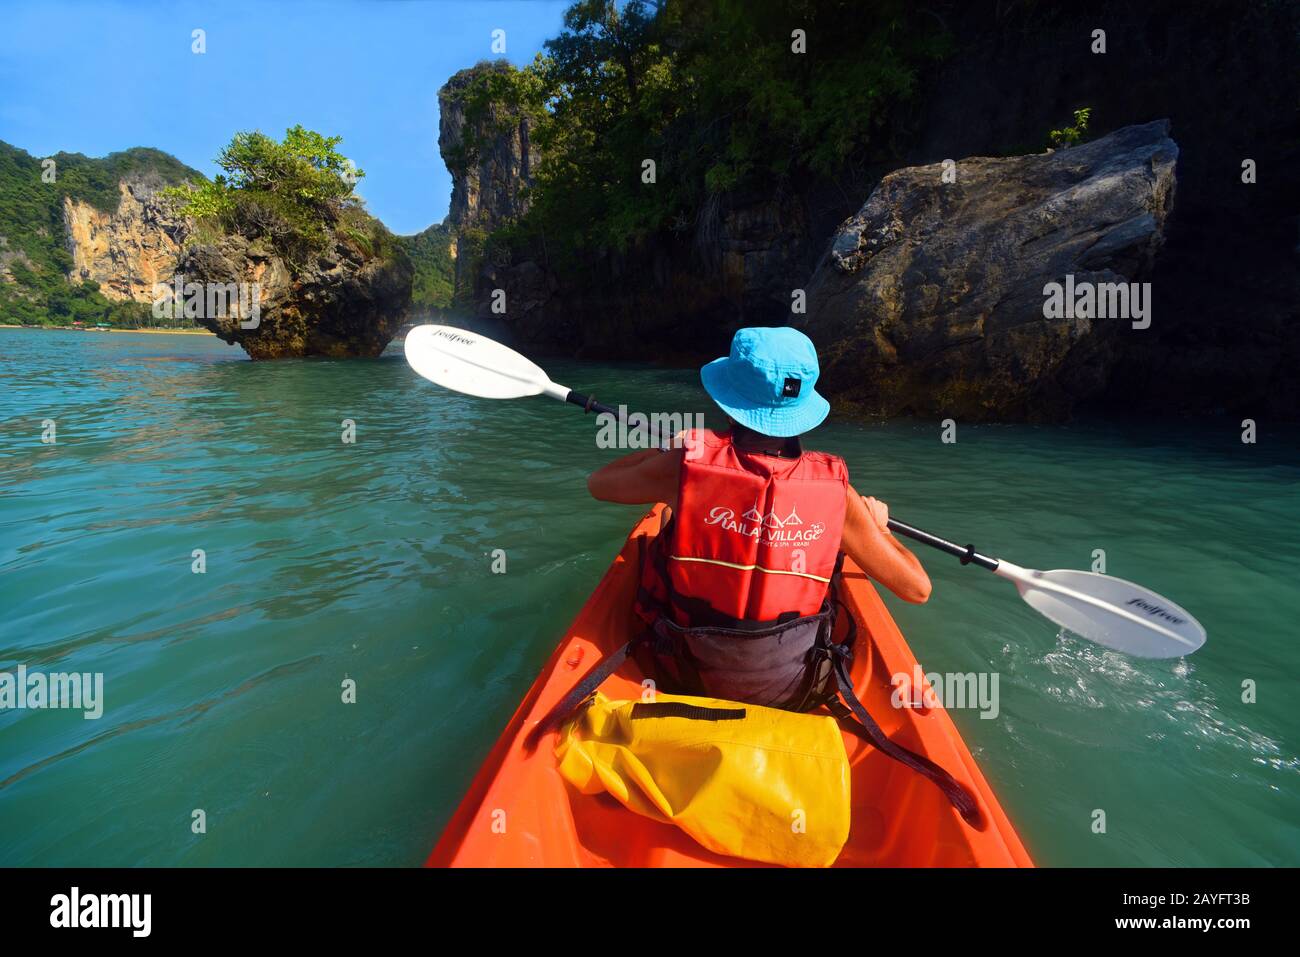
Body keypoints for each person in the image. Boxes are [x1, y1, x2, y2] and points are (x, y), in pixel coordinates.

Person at [586, 326, 932, 620]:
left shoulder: (682, 465)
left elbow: (598, 485)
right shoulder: (838, 494)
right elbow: (916, 589)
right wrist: (880, 530)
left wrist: (668, 449)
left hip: (685, 660)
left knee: (666, 517)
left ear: (730, 401)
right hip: (790, 682)